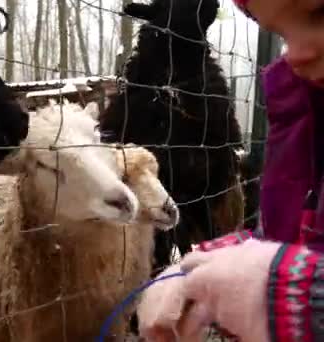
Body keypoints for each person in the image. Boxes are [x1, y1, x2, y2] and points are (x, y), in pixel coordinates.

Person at [136, 0, 324, 340]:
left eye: (320, 14)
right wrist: (211, 263)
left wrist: (295, 294)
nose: (296, 53)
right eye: (280, 33)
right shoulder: (302, 116)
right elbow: (300, 237)